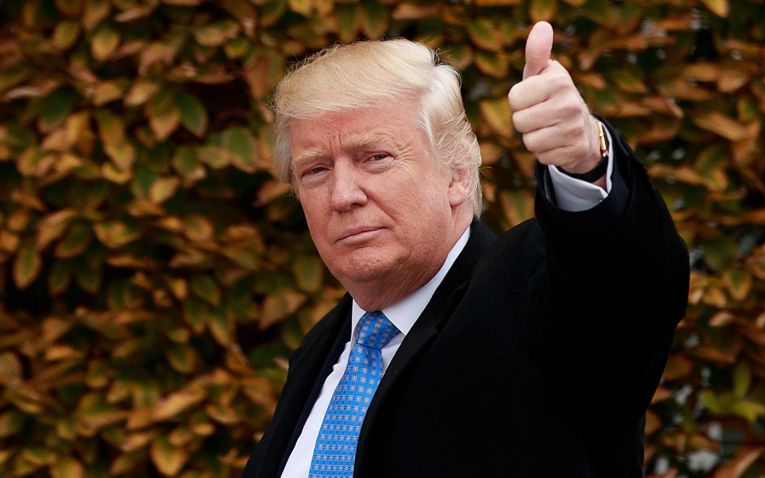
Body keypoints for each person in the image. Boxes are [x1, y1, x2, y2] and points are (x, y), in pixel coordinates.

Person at [242, 21, 690, 478]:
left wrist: (583, 165)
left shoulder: (529, 297)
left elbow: (629, 285)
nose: (342, 195)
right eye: (315, 171)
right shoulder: (323, 349)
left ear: (456, 172)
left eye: (375, 158)